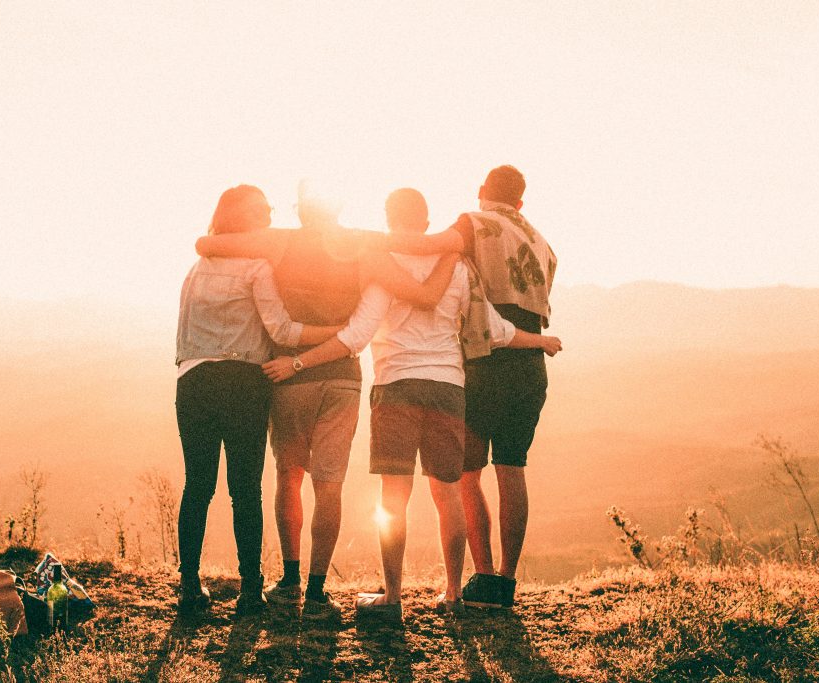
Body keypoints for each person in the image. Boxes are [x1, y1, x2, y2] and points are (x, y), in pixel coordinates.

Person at [262, 188, 561, 620]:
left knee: (393, 499)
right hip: (448, 389)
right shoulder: (458, 267)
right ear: (426, 223)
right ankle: (454, 594)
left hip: (396, 386)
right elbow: (495, 330)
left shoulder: (384, 266)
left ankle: (393, 597)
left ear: (388, 218)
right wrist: (542, 341)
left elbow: (357, 336)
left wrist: (298, 362)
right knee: (448, 495)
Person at [195, 181, 456, 620]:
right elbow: (422, 291)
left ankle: (290, 579)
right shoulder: (363, 246)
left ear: (301, 211)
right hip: (342, 378)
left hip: (289, 375)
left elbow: (207, 243)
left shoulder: (279, 243)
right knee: (329, 484)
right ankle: (317, 591)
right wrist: (452, 249)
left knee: (289, 475)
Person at [384, 166, 558, 608]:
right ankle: (506, 580)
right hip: (530, 363)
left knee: (467, 472)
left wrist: (366, 245)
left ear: (482, 192)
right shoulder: (542, 243)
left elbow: (425, 245)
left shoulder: (473, 223)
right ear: (521, 202)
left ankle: (479, 578)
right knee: (513, 468)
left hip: (484, 360)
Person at [174, 185, 342, 617]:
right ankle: (250, 590)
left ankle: (189, 587)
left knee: (198, 486)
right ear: (244, 219)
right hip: (244, 382)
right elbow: (283, 332)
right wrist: (336, 334)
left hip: (193, 380)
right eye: (261, 210)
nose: (269, 215)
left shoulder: (196, 268)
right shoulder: (257, 266)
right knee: (244, 489)